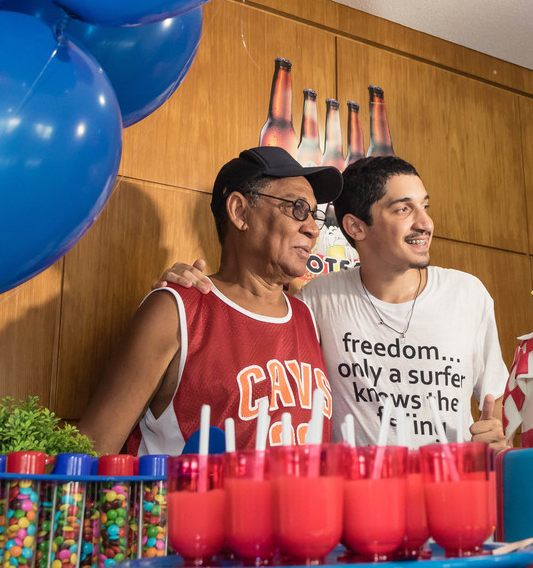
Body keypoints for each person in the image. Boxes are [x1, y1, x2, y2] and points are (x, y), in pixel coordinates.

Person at [160, 155, 510, 450]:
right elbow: (248, 312)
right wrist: (183, 288)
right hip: (357, 504)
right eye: (404, 209)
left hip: (452, 495)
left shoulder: (468, 294)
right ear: (355, 227)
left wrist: (497, 435)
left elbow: (498, 404)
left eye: (425, 206)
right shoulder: (316, 301)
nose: (425, 223)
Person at [78, 146, 343, 455]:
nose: (312, 229)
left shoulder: (307, 316)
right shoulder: (176, 310)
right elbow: (90, 452)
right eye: (297, 208)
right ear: (240, 212)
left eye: (314, 214)